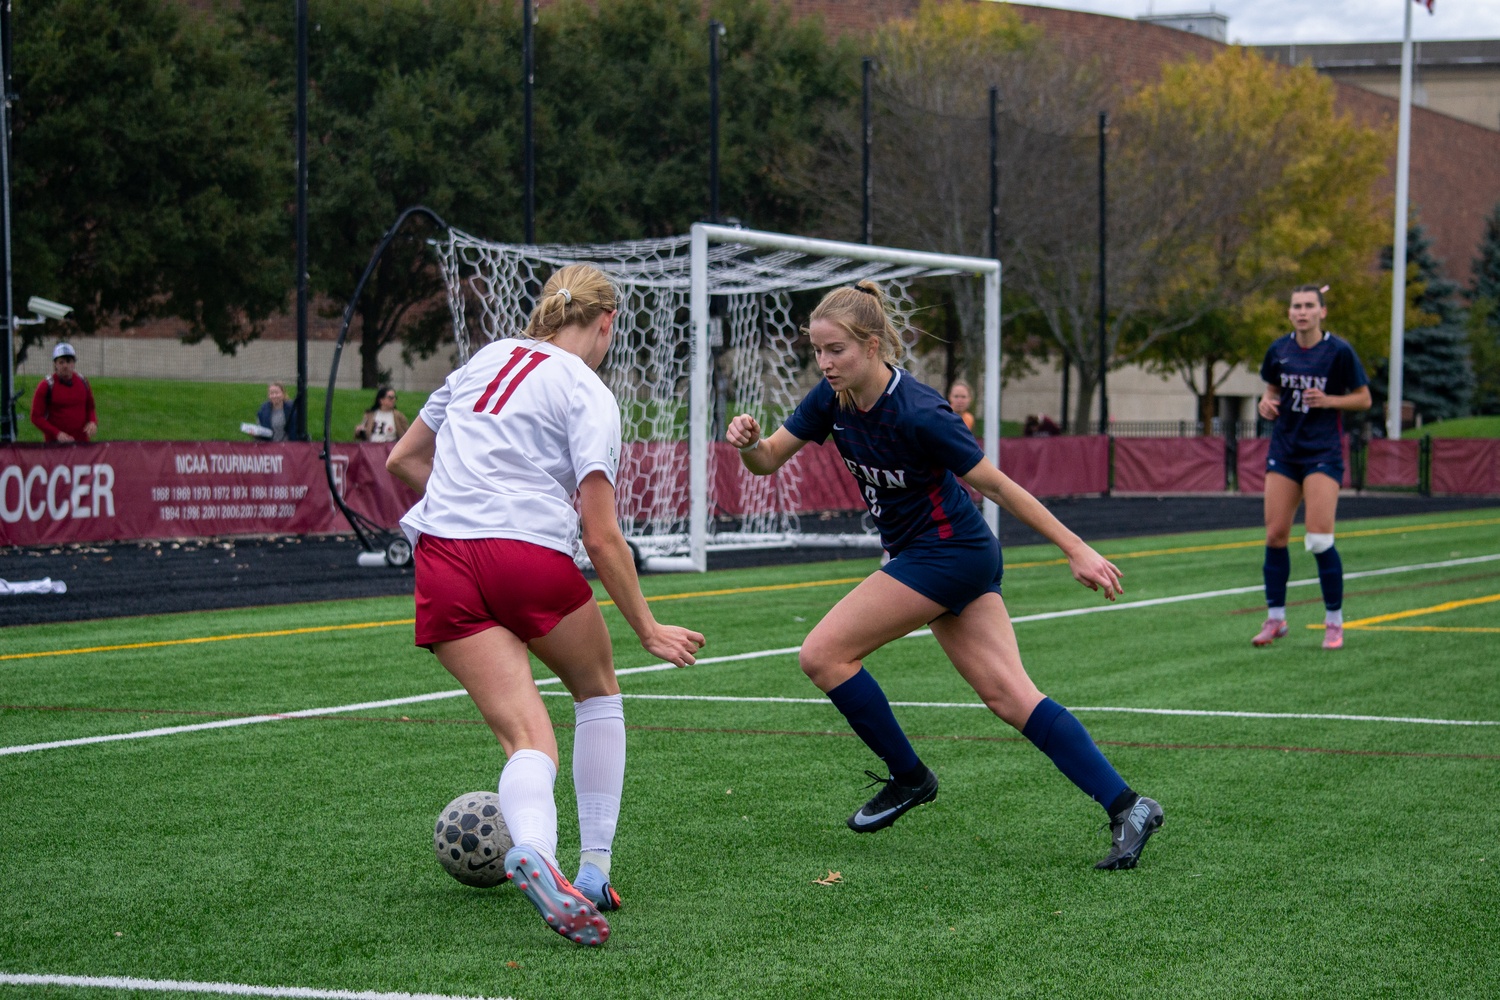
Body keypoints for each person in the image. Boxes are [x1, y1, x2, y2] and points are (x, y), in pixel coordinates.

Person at [726, 281, 1163, 870]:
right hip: (947, 555)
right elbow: (769, 460)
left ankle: (909, 777)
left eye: (837, 350)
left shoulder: (920, 410)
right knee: (1011, 696)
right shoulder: (832, 399)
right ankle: (1128, 806)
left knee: (823, 654)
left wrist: (1075, 548)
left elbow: (997, 484)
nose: (825, 362)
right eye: (818, 351)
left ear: (872, 344)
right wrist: (750, 444)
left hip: (948, 553)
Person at [386, 264, 705, 946]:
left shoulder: (483, 360)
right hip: (525, 555)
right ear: (606, 324)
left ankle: (532, 847)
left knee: (526, 737)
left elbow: (404, 460)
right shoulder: (587, 390)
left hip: (442, 559)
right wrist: (647, 627)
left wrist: (466, 504)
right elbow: (601, 534)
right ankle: (592, 869)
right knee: (597, 692)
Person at [1252, 284, 1372, 651]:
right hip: (1285, 451)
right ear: (1289, 312)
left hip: (1323, 452)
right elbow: (1271, 391)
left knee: (1319, 539)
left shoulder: (1339, 351)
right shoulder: (1279, 350)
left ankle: (1334, 621)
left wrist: (1330, 400)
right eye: (1296, 306)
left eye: (1308, 305)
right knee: (1275, 536)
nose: (1302, 312)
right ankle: (1275, 618)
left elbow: (1364, 399)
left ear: (1322, 311)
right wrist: (1265, 403)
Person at [30, 343, 97, 444]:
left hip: (81, 443)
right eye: (61, 362)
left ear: (74, 363)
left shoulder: (83, 381)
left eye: (68, 361)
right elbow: (36, 417)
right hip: (56, 445)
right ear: (55, 364)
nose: (65, 366)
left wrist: (92, 421)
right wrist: (56, 433)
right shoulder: (46, 385)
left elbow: (90, 407)